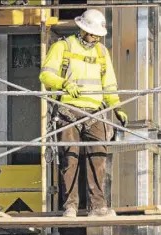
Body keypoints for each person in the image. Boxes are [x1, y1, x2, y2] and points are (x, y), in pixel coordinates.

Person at [39, 9, 128, 218]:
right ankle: (70, 206)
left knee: (98, 158)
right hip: (68, 112)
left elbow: (110, 86)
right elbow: (45, 75)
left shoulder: (101, 53)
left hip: (95, 113)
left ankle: (98, 207)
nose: (95, 38)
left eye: (98, 35)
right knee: (70, 159)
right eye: (92, 33)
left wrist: (117, 108)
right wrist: (63, 84)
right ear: (82, 29)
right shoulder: (63, 47)